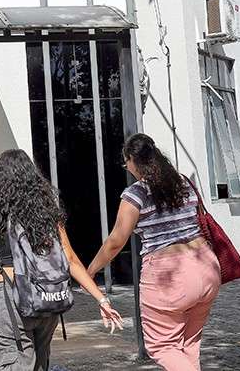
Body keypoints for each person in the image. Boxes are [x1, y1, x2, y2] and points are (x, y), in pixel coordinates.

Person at [0, 149, 123, 371]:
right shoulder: (47, 213)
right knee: (40, 365)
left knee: (14, 363)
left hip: (10, 297)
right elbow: (70, 260)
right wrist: (101, 299)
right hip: (45, 297)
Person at [85, 134, 220, 371]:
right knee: (188, 344)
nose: (126, 167)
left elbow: (115, 242)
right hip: (206, 266)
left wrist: (91, 270)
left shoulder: (136, 194)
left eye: (126, 162)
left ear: (132, 160)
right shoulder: (182, 182)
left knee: (162, 346)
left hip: (170, 275)